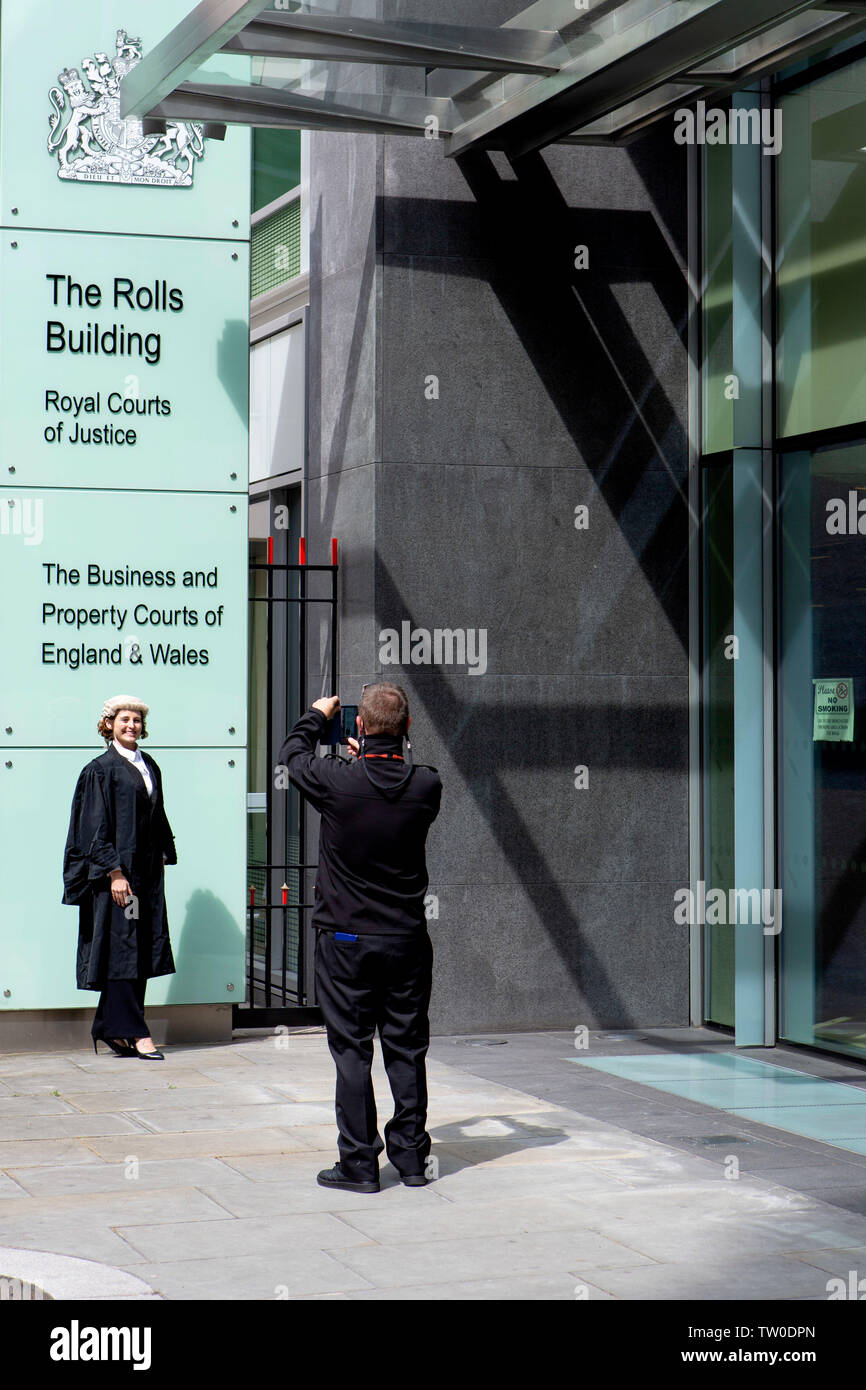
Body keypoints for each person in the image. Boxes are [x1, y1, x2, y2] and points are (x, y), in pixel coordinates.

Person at [278, 683, 442, 1193]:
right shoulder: (427, 786)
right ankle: (412, 1160)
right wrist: (371, 756)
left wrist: (315, 716)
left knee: (352, 1052)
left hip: (346, 940)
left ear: (359, 727)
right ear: (409, 729)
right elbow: (391, 784)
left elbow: (291, 756)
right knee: (406, 1048)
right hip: (405, 941)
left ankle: (359, 1164)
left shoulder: (336, 781)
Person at [62, 695, 177, 1060]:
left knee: (138, 946)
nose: (132, 726)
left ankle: (108, 1026)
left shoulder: (149, 765)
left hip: (145, 876)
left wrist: (162, 850)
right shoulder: (100, 769)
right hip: (119, 878)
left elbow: (155, 814)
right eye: (124, 719)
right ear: (108, 724)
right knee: (124, 946)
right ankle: (136, 1031)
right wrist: (113, 872)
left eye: (137, 720)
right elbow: (93, 825)